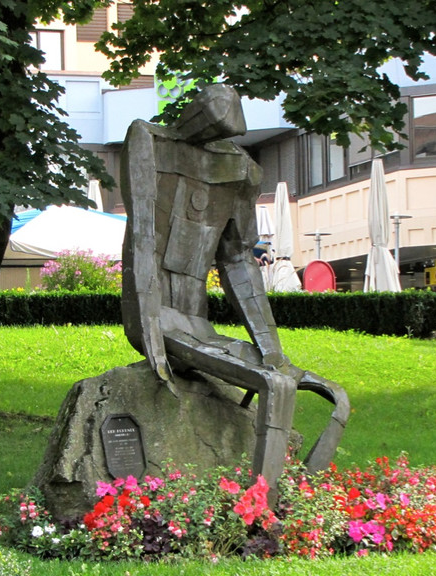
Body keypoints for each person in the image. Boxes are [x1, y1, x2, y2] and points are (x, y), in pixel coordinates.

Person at [120, 85, 348, 495]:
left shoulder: (240, 168)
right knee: (275, 387)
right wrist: (153, 342)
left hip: (199, 326)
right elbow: (142, 240)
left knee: (337, 397)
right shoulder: (149, 141)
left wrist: (272, 350)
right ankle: (261, 507)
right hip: (161, 320)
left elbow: (238, 259)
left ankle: (296, 498)